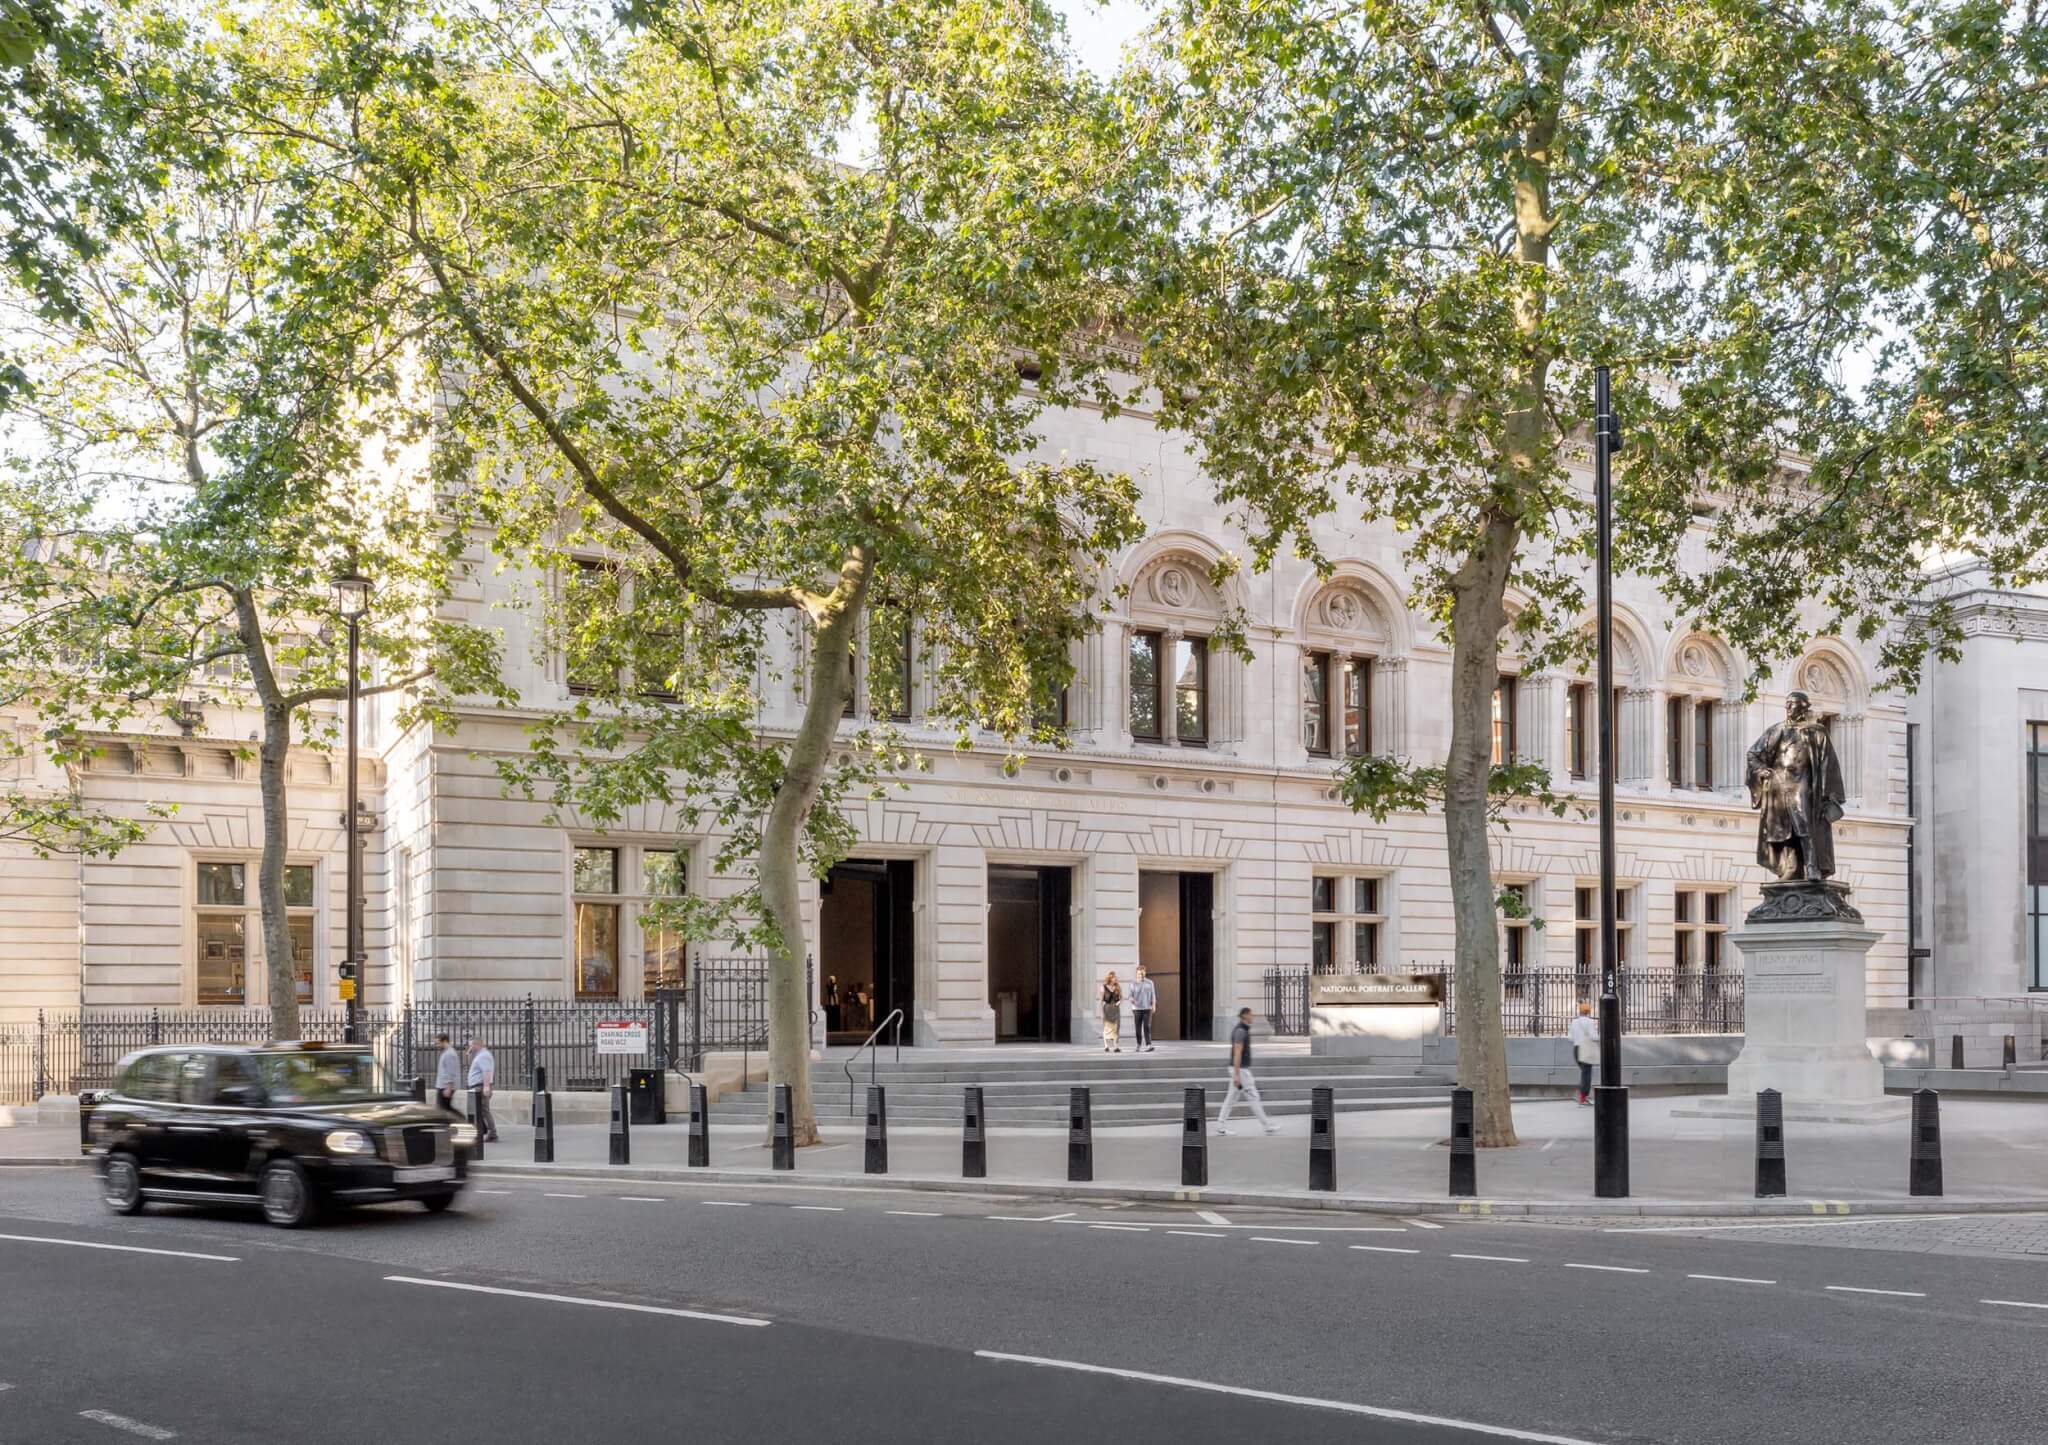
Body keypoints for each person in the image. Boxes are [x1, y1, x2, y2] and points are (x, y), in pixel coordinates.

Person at [1216, 1006, 1277, 1134]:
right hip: (1241, 1071)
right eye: (1251, 1015)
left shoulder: (1242, 1030)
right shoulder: (1240, 1031)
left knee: (1231, 1098)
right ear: (1245, 1016)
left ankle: (1221, 1125)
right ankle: (1267, 1126)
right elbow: (1237, 1053)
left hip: (1238, 1070)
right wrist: (1237, 1075)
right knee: (1253, 1097)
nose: (1253, 1017)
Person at [465, 1035, 498, 1142]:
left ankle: (492, 1133)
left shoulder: (483, 1056)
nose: (469, 1048)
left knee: (484, 1111)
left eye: (471, 1045)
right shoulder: (480, 1055)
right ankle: (483, 1131)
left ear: (476, 1044)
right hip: (477, 1087)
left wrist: (487, 1087)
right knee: (479, 1111)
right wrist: (469, 1053)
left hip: (480, 1086)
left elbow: (486, 1071)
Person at [1568, 1001, 1598, 1106]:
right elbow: (1594, 1037)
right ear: (1588, 1011)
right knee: (1587, 1074)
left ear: (1580, 1011)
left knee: (1584, 1072)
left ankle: (1580, 1093)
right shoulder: (1590, 1022)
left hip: (1576, 1049)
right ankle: (1583, 1097)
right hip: (1586, 1049)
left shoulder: (1574, 1022)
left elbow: (1570, 1038)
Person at [1129, 964, 1157, 1052]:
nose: (1141, 975)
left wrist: (1154, 1005)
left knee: (1147, 1026)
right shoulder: (1133, 983)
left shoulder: (1150, 982)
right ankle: (1138, 1045)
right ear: (1136, 974)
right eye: (1139, 974)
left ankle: (1149, 1045)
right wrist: (1132, 1000)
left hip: (1147, 1008)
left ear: (1145, 973)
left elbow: (1153, 995)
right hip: (1137, 1009)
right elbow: (1130, 996)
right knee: (1138, 1027)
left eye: (1142, 973)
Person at [433, 1033, 460, 1111]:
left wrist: (448, 1088)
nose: (436, 1046)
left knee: (442, 1110)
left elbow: (450, 1071)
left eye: (438, 1043)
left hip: (444, 1087)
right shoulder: (446, 1053)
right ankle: (459, 1119)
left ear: (444, 1041)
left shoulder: (449, 1054)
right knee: (445, 1109)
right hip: (443, 1086)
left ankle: (461, 1119)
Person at [1100, 971, 1122, 1053]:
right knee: (1107, 1027)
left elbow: (1121, 997)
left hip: (1115, 1009)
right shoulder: (1103, 987)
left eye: (1116, 977)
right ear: (1110, 978)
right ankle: (1106, 1046)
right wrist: (1102, 1012)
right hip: (1107, 1008)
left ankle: (1116, 1046)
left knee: (1116, 1027)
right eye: (1114, 977)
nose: (1116, 978)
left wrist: (1119, 1002)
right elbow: (1102, 1000)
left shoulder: (1117, 987)